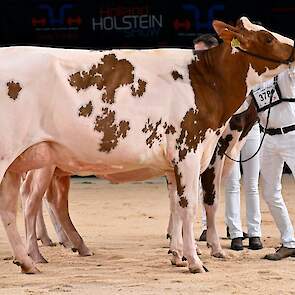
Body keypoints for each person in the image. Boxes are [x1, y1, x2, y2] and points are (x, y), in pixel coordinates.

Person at [253, 66, 295, 260]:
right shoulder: (254, 79)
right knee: (270, 192)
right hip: (267, 138)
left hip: (292, 134)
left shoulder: (287, 73)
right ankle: (289, 242)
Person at [193, 33, 219, 241]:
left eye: (202, 53)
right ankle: (203, 228)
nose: (198, 58)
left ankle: (235, 230)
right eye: (196, 53)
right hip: (198, 137)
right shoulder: (193, 75)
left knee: (230, 183)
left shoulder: (226, 76)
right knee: (189, 184)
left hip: (224, 135)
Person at [224, 121, 263, 250]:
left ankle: (255, 233)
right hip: (230, 128)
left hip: (252, 127)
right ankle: (235, 233)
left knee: (252, 184)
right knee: (232, 184)